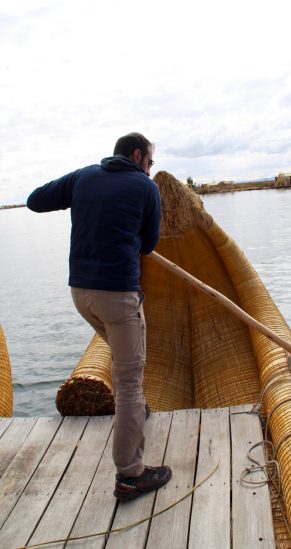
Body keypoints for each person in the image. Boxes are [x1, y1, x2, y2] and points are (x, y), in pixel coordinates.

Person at [27, 132, 172, 502]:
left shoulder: (84, 176)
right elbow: (149, 244)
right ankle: (130, 476)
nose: (150, 168)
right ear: (138, 155)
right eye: (150, 162)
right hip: (117, 296)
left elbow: (34, 201)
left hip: (81, 294)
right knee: (128, 381)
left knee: (127, 362)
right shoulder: (145, 188)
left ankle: (135, 412)